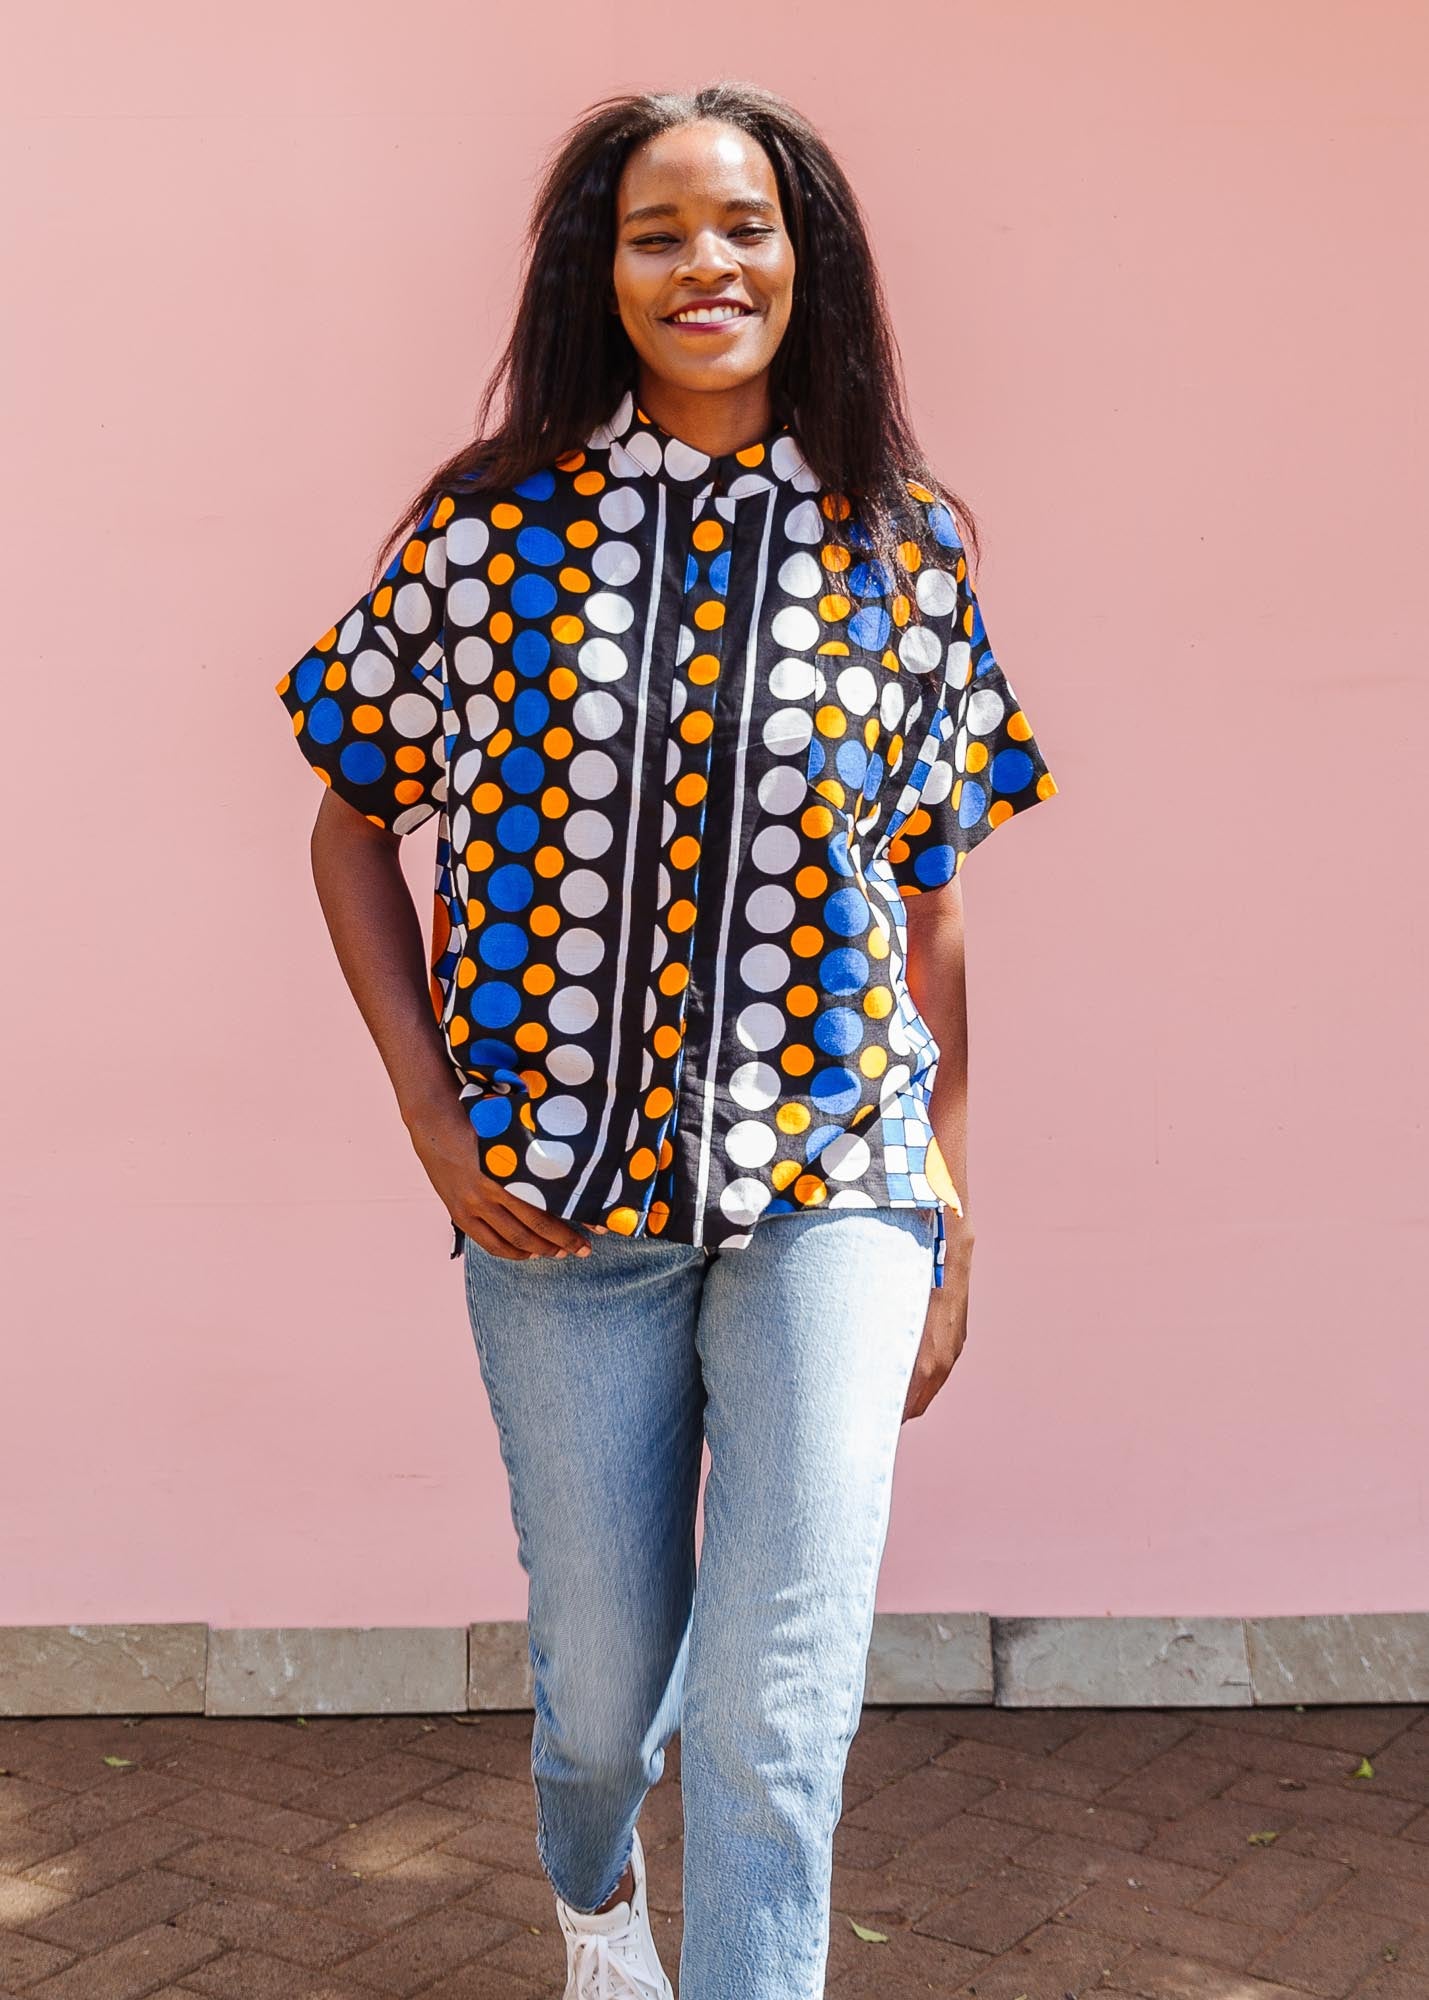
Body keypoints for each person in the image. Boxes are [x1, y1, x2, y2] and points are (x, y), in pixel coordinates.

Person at [274, 80, 1056, 2000]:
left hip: (837, 1185)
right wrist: (436, 1130)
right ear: (598, 273)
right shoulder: (484, 537)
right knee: (605, 1700)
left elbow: (931, 903)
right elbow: (350, 821)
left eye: (743, 227)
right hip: (556, 1205)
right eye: (658, 232)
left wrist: (947, 1205)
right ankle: (595, 1896)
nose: (706, 264)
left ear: (807, 261)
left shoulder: (906, 549)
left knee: (780, 1714)